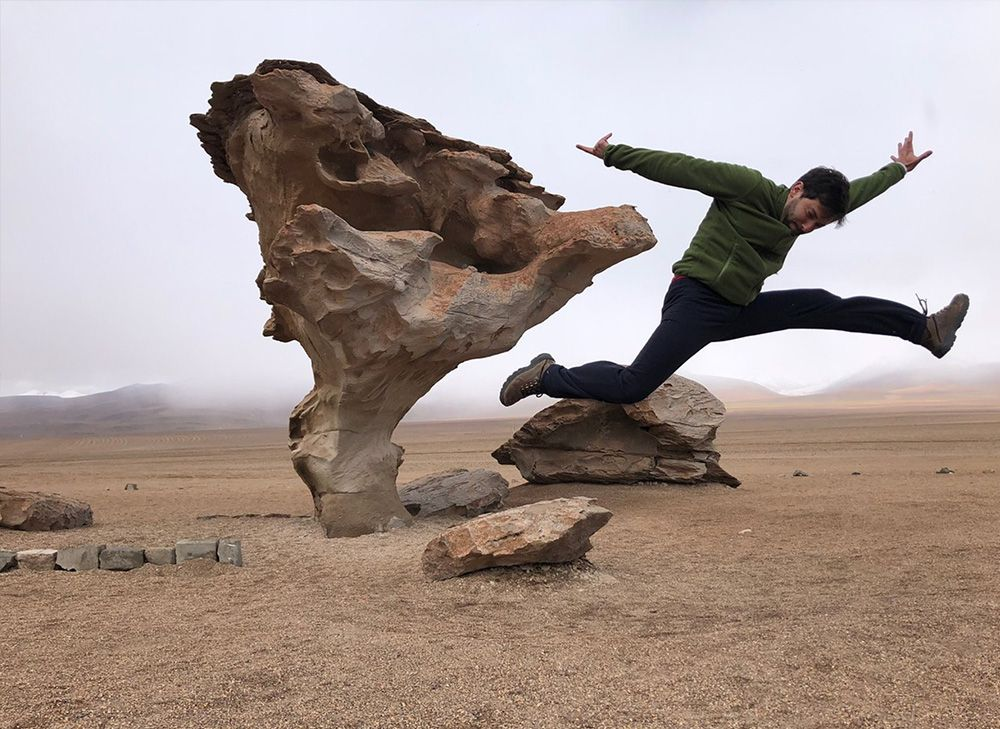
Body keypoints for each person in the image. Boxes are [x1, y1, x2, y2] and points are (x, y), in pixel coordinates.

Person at [499, 132, 969, 407]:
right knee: (634, 384)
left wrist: (900, 171)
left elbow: (860, 191)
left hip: (739, 307)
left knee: (822, 304)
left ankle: (924, 330)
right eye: (809, 215)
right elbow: (686, 168)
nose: (808, 228)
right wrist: (617, 156)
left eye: (820, 225)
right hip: (696, 298)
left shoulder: (806, 215)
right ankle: (547, 375)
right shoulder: (749, 188)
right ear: (796, 188)